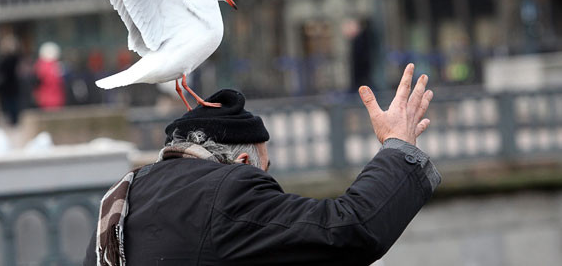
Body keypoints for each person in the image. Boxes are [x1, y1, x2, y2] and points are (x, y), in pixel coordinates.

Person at [84, 64, 440, 266]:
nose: (268, 183)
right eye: (264, 171)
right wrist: (398, 145)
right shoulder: (228, 192)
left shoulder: (126, 193)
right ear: (241, 162)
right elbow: (349, 230)